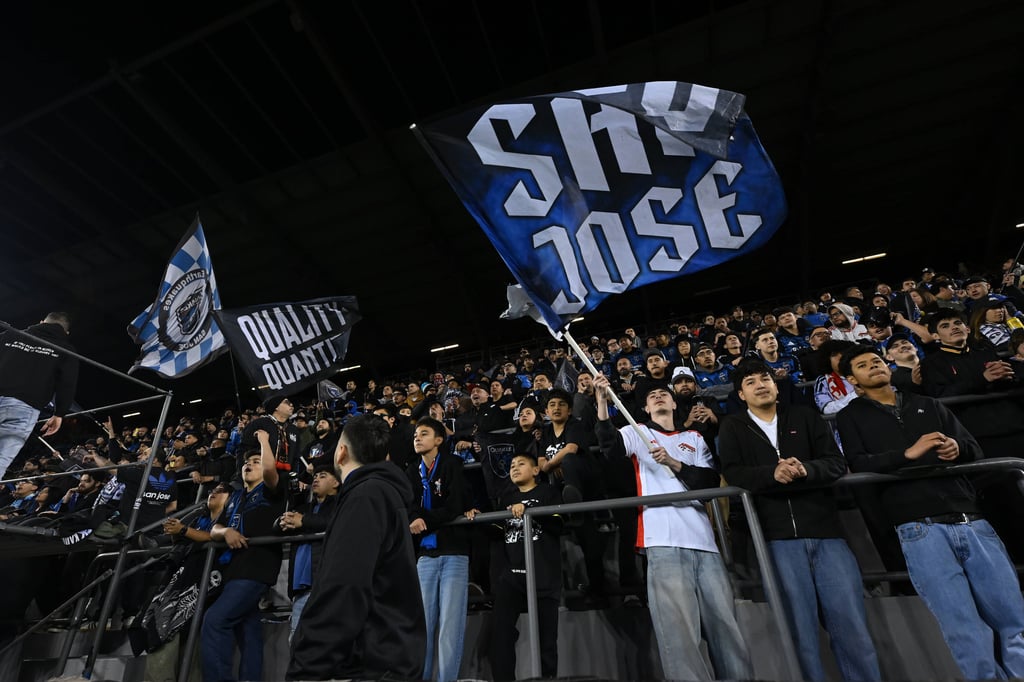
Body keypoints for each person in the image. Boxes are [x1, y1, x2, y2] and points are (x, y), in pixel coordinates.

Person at [836, 346, 1024, 679]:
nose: (873, 367)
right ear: (853, 380)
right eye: (863, 366)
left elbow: (973, 449)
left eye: (877, 361)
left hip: (972, 519)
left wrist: (957, 448)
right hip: (918, 528)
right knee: (963, 627)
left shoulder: (927, 403)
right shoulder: (851, 416)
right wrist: (907, 454)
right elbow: (859, 463)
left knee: (1014, 618)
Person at [719, 360, 880, 682]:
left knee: (853, 631)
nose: (760, 384)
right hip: (776, 542)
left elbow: (835, 462)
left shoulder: (805, 417)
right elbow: (733, 471)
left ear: (776, 386)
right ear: (741, 393)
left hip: (828, 535)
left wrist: (806, 469)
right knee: (800, 636)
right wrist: (771, 474)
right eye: (750, 382)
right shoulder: (733, 426)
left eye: (765, 378)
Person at [593, 374, 752, 681]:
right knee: (679, 634)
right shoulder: (636, 432)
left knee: (726, 629)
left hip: (705, 543)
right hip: (662, 540)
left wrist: (675, 463)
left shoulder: (693, 439)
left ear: (674, 402)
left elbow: (709, 482)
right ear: (646, 408)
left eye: (663, 394)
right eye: (651, 396)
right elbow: (609, 447)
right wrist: (602, 402)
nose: (658, 397)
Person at [288, 414, 426, 681]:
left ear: (340, 453)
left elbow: (344, 587)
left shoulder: (365, 497)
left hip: (371, 665)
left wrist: (305, 669)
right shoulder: (377, 493)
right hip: (385, 659)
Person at [201, 432, 286, 682]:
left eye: (256, 462)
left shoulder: (273, 490)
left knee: (215, 620)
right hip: (234, 570)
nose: (249, 464)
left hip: (256, 568)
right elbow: (214, 529)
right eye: (247, 462)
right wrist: (226, 531)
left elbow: (271, 471)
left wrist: (264, 441)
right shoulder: (236, 497)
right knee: (248, 632)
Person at [481, 452, 563, 680]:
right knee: (501, 635)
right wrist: (477, 516)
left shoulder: (547, 492)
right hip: (513, 576)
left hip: (544, 574)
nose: (515, 468)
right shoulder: (506, 497)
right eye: (512, 465)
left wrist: (529, 512)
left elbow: (558, 524)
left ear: (536, 470)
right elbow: (495, 531)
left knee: (547, 641)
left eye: (521, 464)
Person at [406, 417, 470, 682]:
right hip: (425, 556)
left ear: (439, 440)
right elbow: (408, 507)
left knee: (449, 628)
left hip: (454, 552)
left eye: (423, 434)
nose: (417, 438)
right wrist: (416, 517)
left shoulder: (453, 464)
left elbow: (456, 505)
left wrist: (423, 519)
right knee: (422, 627)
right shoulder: (410, 470)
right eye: (415, 436)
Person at [0, 312, 80, 479]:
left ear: (42, 322)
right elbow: (67, 384)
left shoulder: (11, 334)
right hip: (25, 406)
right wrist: (59, 413)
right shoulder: (66, 349)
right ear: (66, 333)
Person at [278, 462, 340, 640]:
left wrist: (303, 522)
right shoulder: (304, 508)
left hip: (325, 585)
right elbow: (279, 524)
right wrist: (282, 522)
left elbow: (333, 522)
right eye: (315, 476)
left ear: (336, 483)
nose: (316, 479)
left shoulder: (341, 504)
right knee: (296, 641)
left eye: (323, 476)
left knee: (326, 640)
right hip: (301, 588)